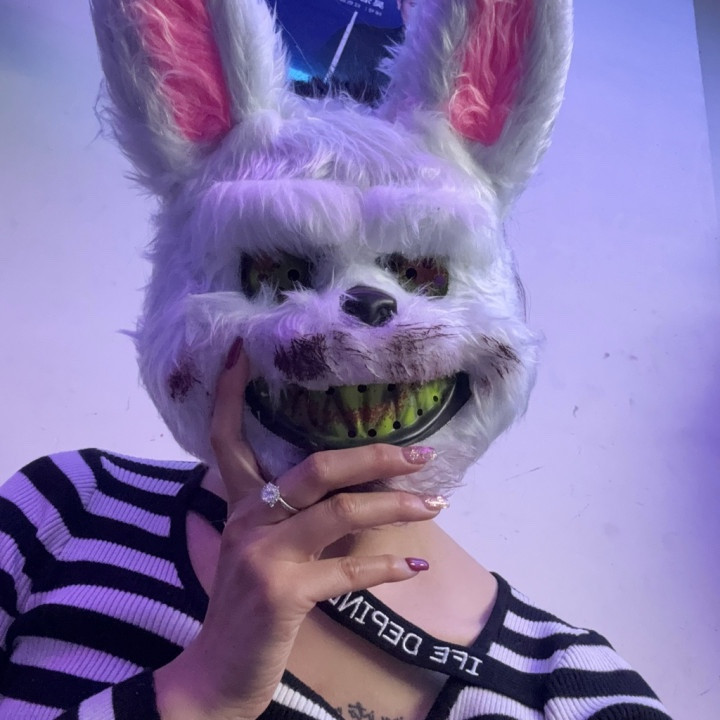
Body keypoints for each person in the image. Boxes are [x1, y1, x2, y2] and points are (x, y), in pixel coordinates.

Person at [0, 0, 674, 717]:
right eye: (279, 275)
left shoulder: (581, 688)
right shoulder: (65, 511)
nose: (367, 307)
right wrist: (200, 692)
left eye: (421, 274)